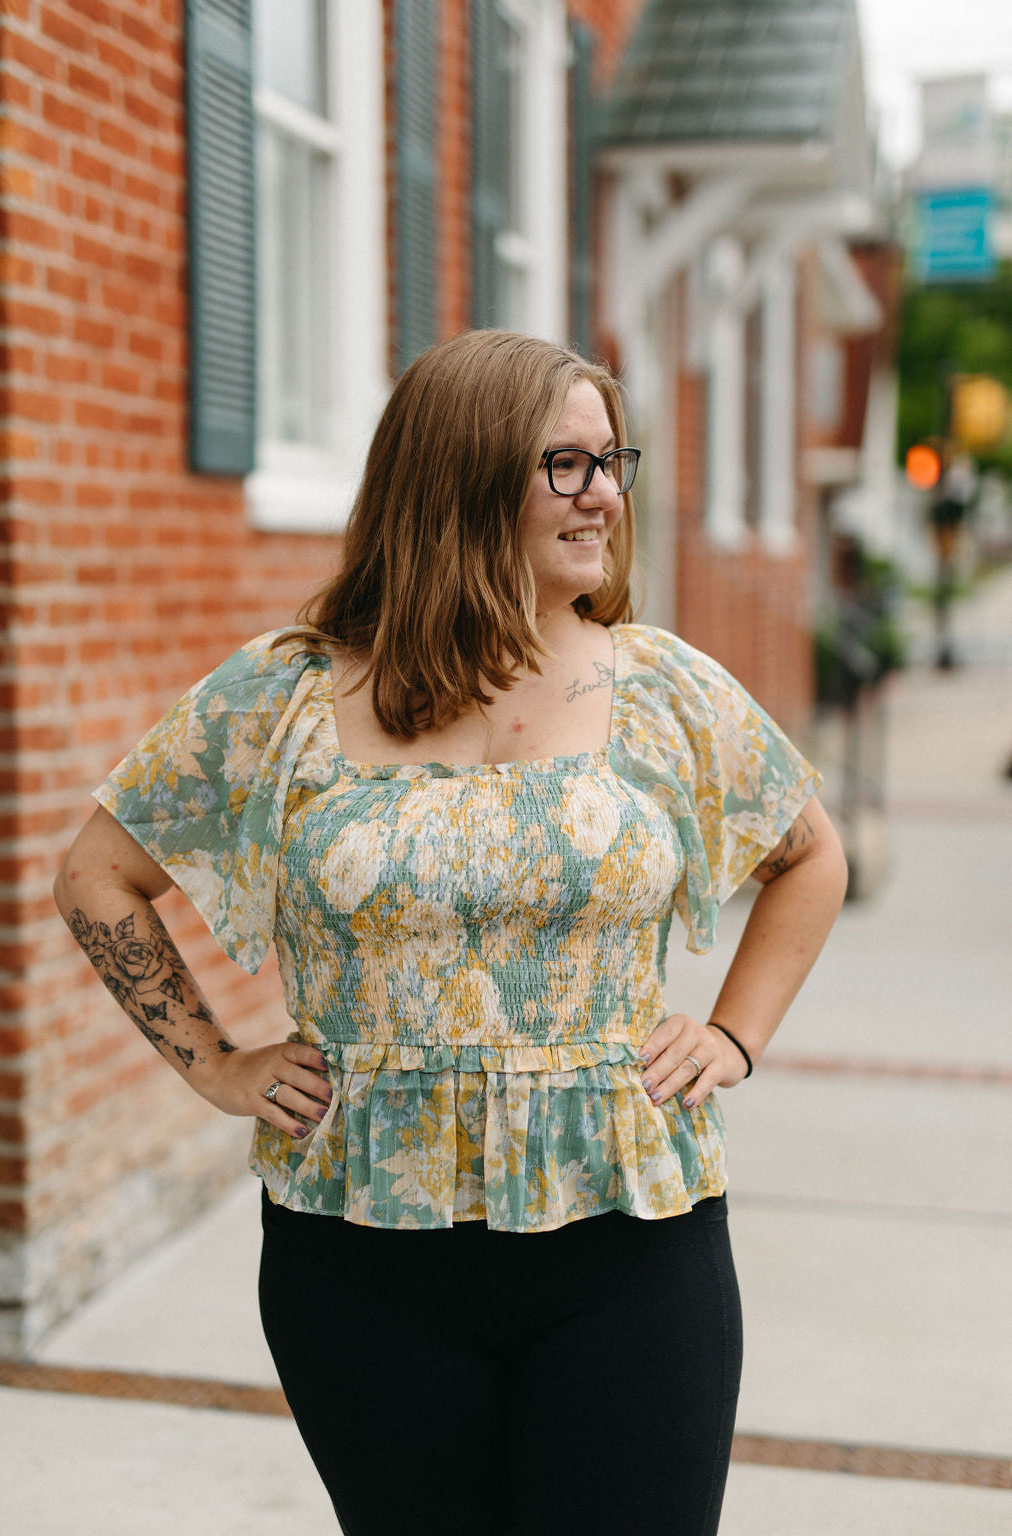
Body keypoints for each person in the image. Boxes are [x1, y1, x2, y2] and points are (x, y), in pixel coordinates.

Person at [55, 329, 847, 1536]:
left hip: (627, 1241)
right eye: (567, 465)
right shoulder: (289, 694)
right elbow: (97, 876)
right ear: (463, 481)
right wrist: (217, 1064)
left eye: (611, 460)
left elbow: (808, 857)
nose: (606, 496)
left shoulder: (663, 686)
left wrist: (735, 1036)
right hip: (358, 1255)